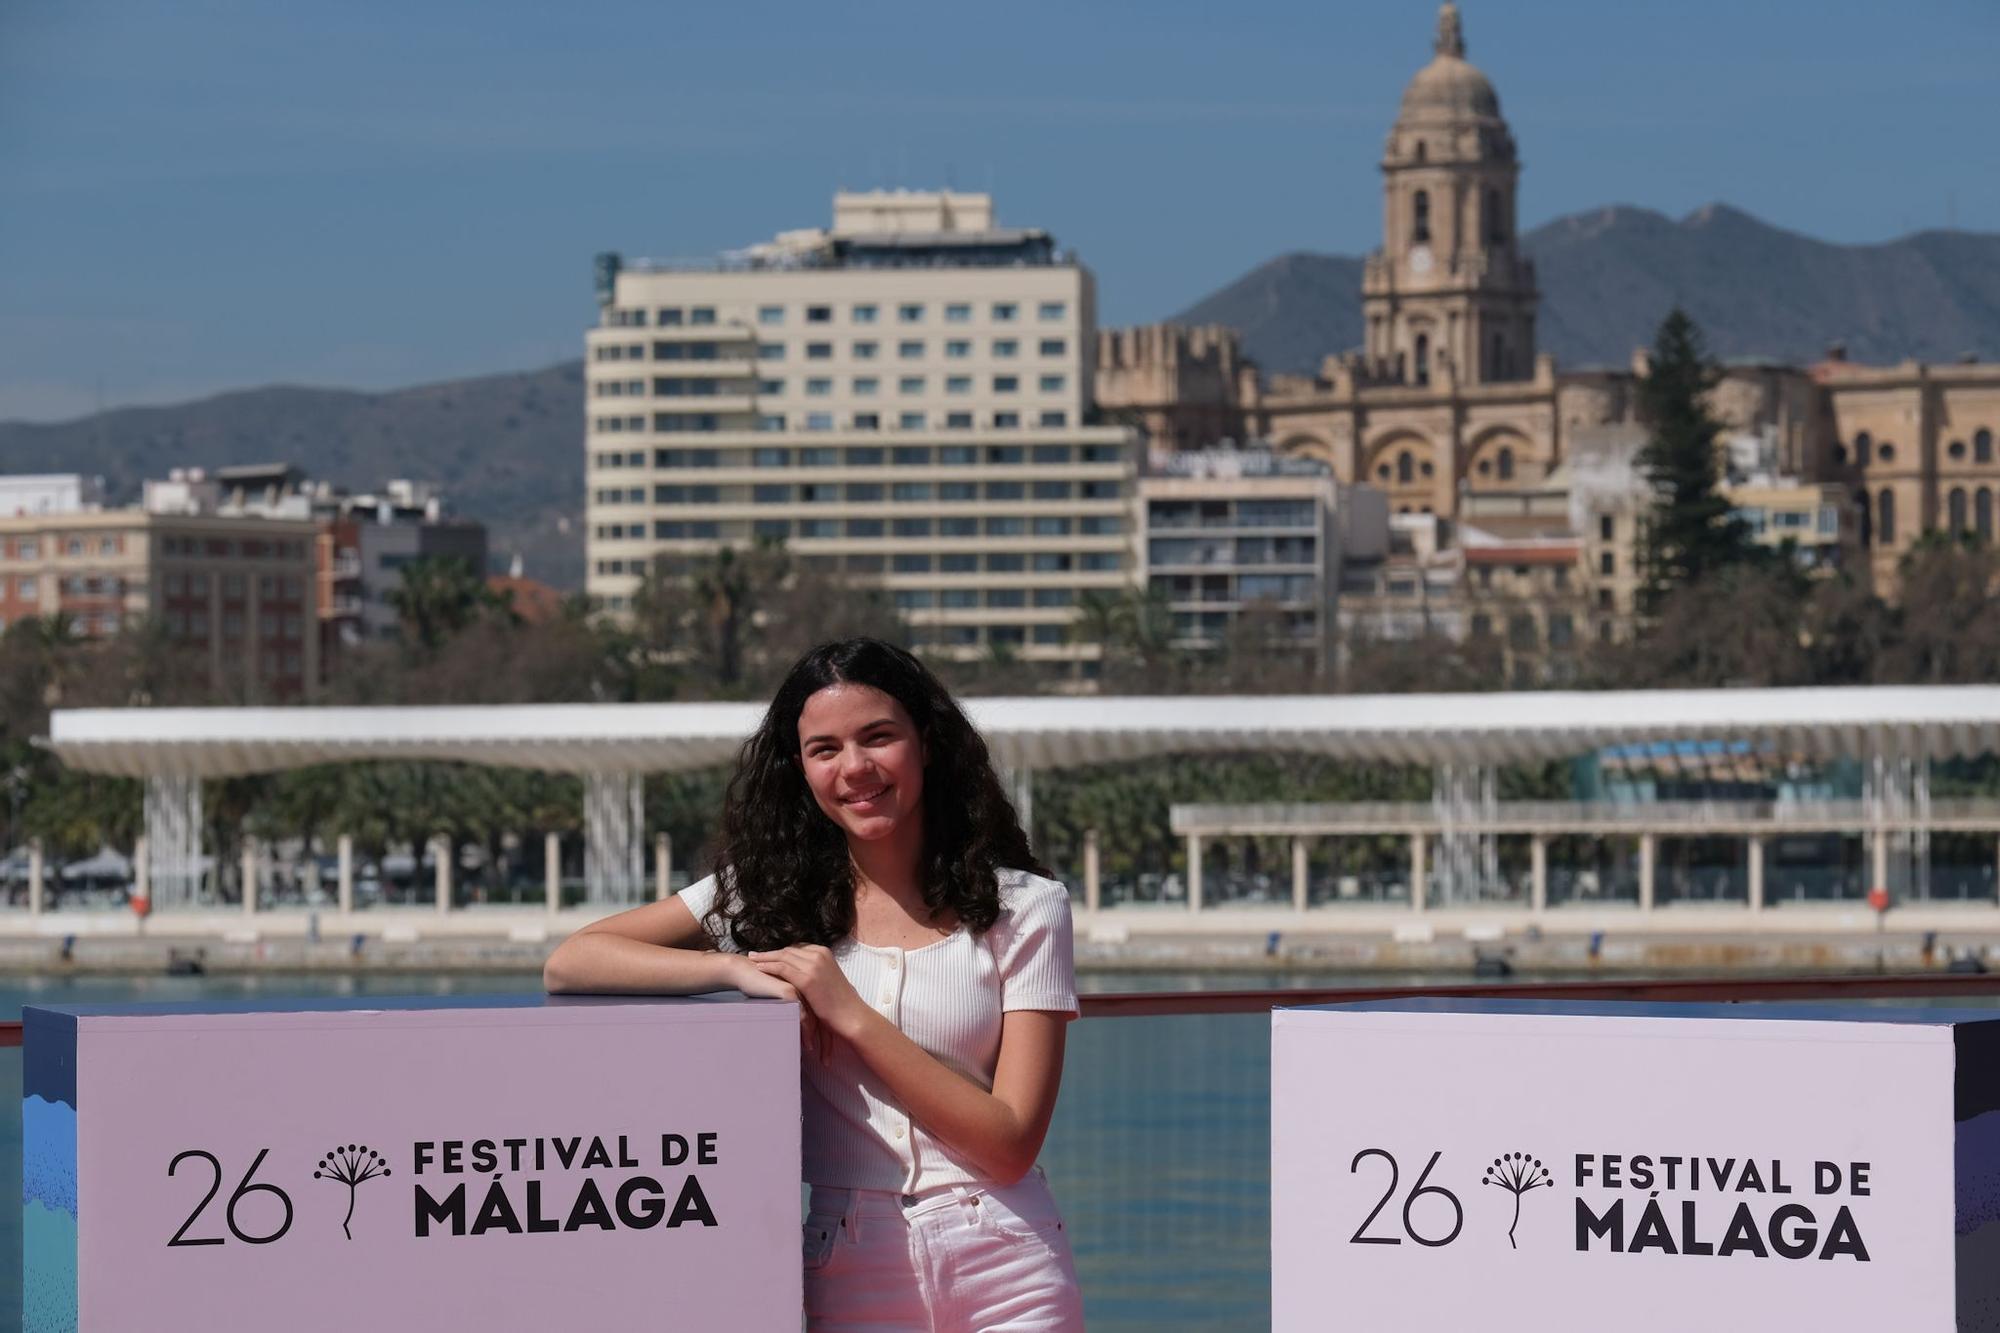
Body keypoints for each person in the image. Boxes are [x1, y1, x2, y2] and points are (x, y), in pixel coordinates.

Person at [544, 638, 1084, 1331]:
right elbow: (575, 958)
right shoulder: (769, 897)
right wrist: (734, 966)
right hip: (847, 1261)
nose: (855, 768)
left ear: (926, 741)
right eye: (824, 749)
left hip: (1010, 1259)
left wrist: (849, 1014)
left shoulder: (1027, 906)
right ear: (798, 768)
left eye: (878, 737)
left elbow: (1010, 1142)